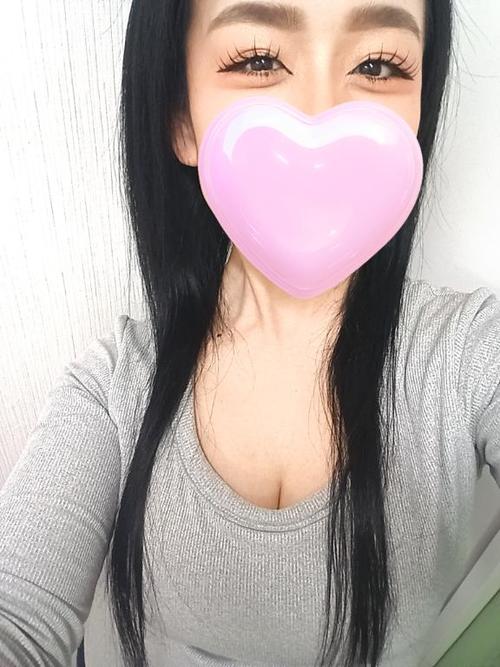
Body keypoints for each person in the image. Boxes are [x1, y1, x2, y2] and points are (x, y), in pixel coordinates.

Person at [1, 1, 499, 666]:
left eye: (379, 66)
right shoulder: (113, 389)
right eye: (259, 60)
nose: (322, 116)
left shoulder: (469, 352)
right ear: (182, 121)